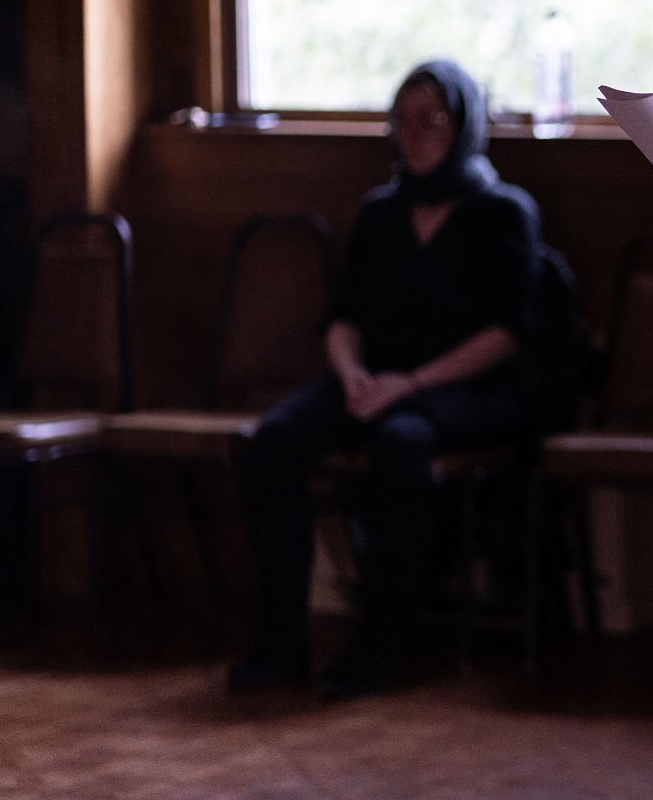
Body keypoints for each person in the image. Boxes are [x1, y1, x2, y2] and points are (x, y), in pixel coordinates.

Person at [228, 60, 573, 701]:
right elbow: (344, 317)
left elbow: (507, 332)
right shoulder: (380, 212)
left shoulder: (505, 211)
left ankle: (378, 646)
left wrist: (409, 385)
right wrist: (354, 375)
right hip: (377, 380)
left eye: (431, 119)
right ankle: (280, 642)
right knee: (273, 441)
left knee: (402, 446)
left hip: (469, 388)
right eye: (402, 119)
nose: (413, 134)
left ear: (463, 124)